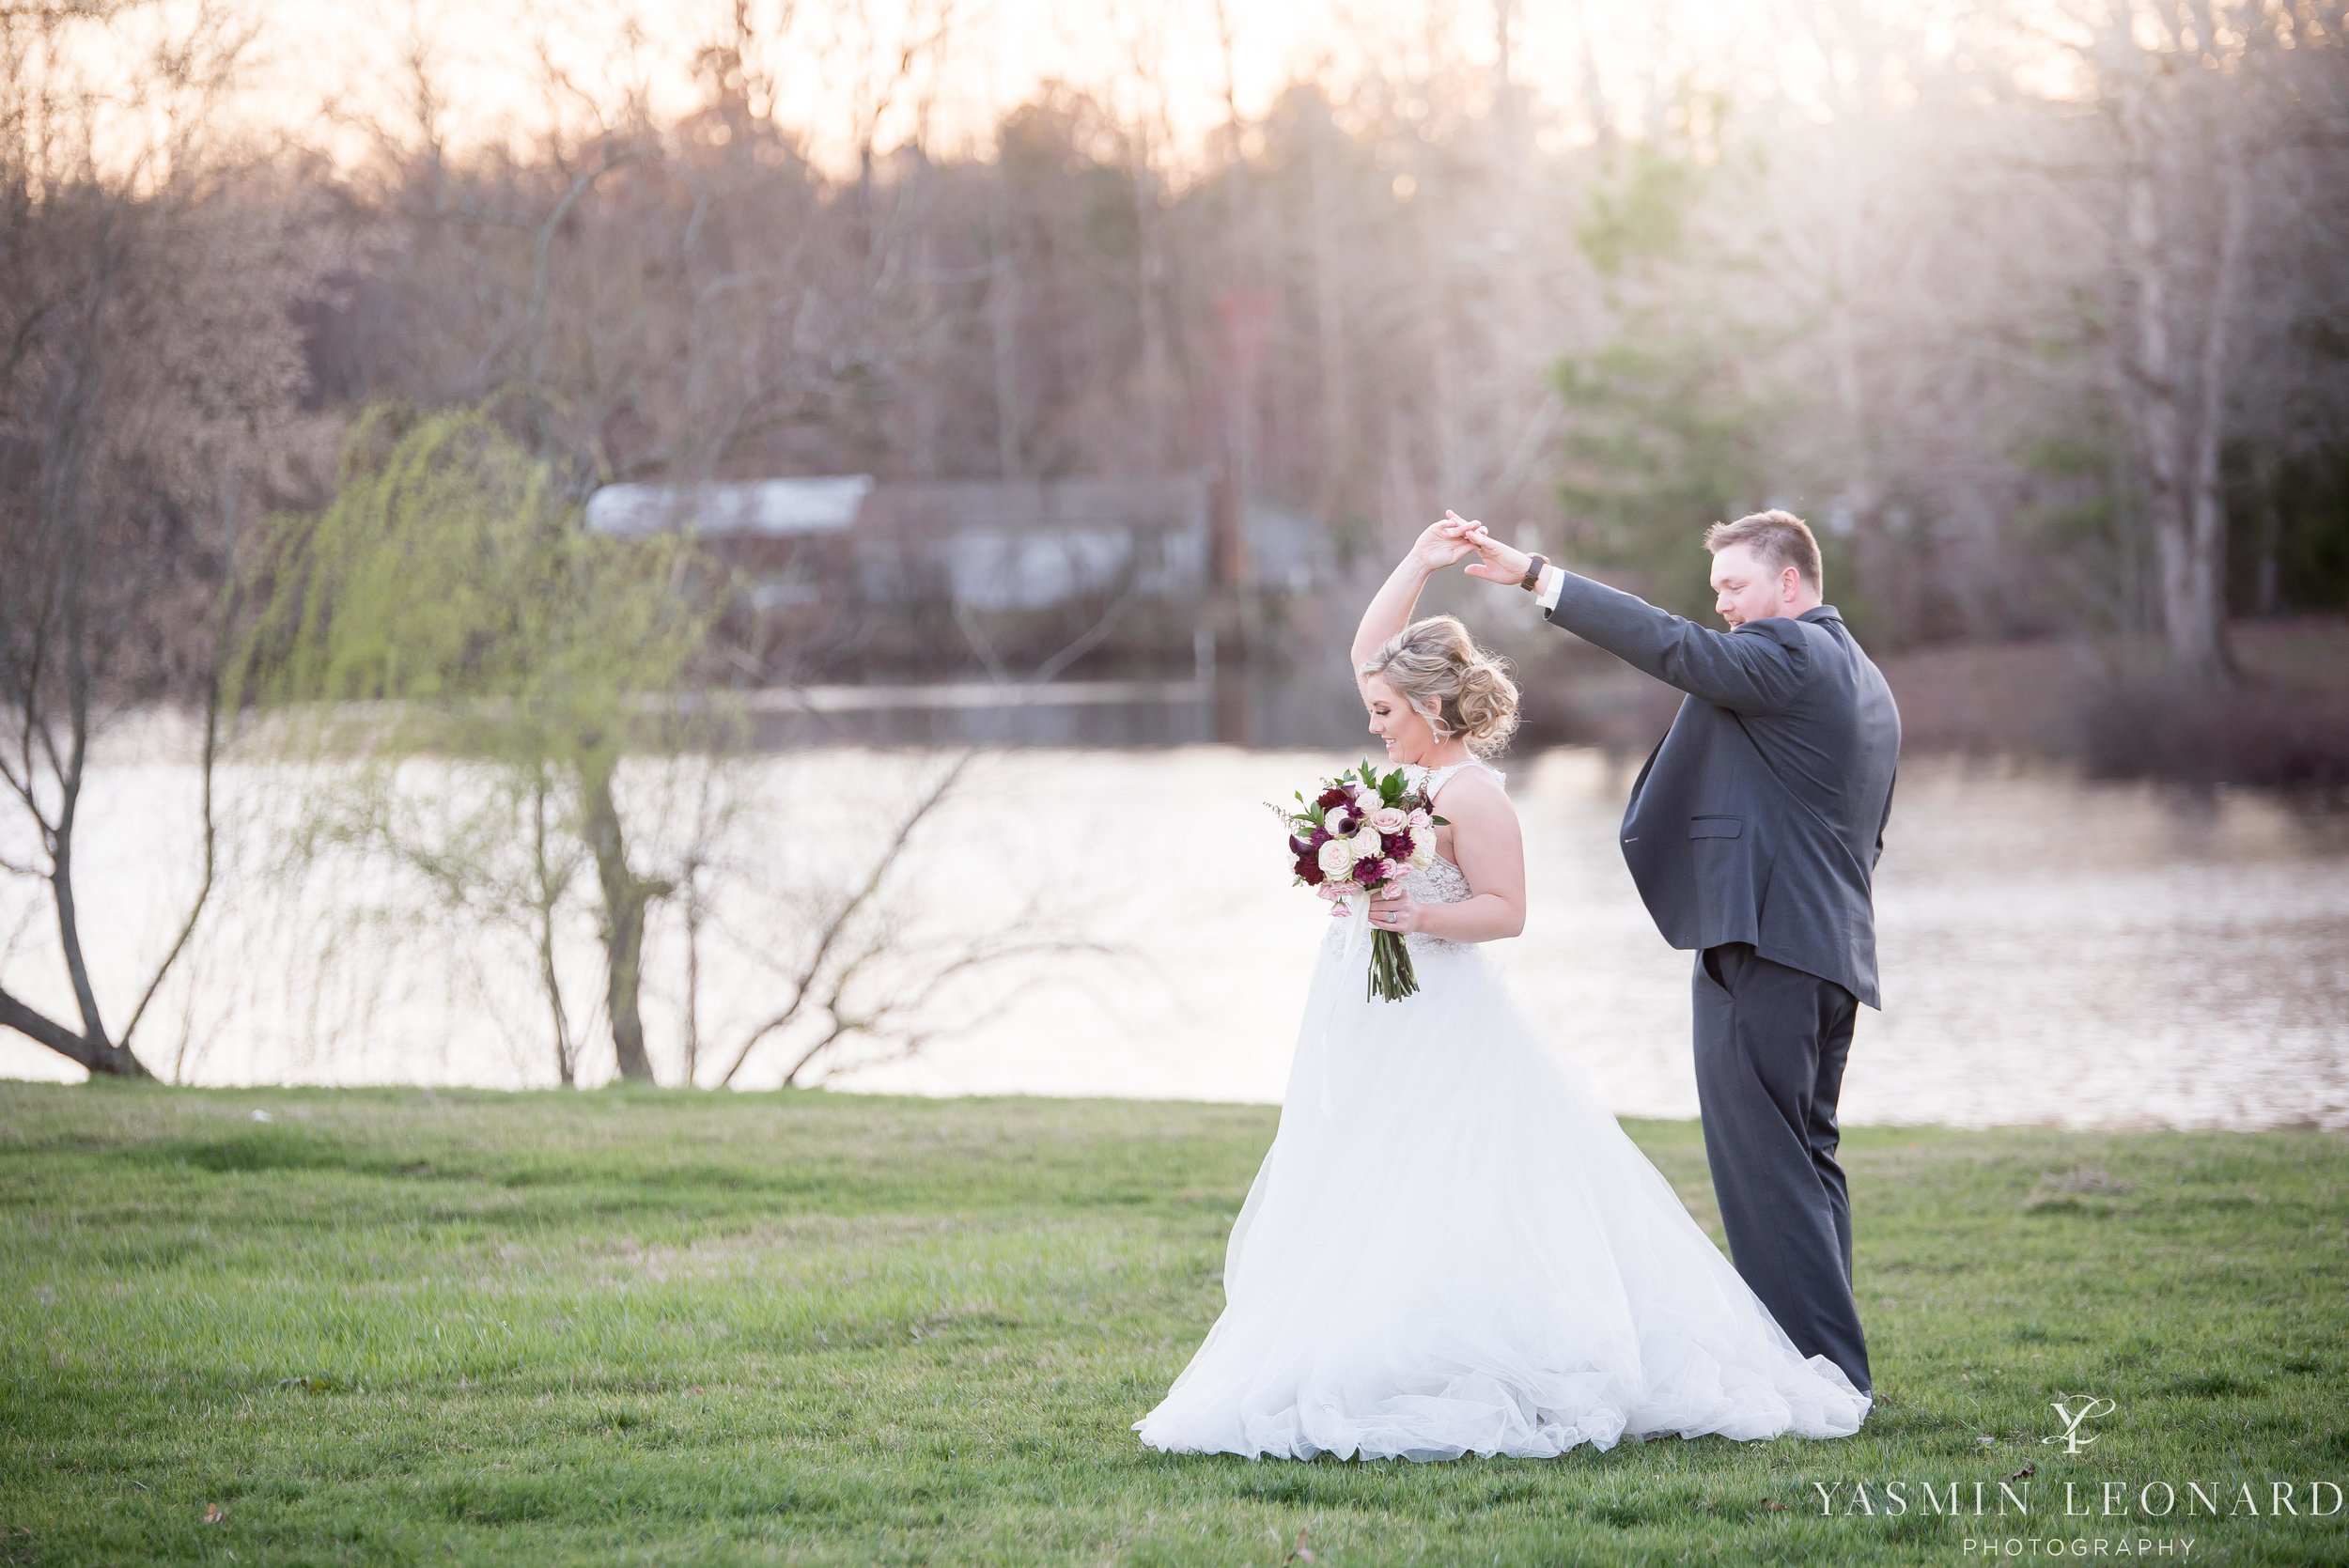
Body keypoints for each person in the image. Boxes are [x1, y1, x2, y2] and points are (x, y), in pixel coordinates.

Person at [1131, 517, 1872, 1463]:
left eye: (1388, 709)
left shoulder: (1470, 794)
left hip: (1445, 1003)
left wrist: (1412, 915)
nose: (1372, 718)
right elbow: (1370, 651)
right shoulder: (1397, 772)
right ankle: (1378, 1335)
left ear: (1429, 711)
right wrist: (1417, 562)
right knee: (1366, 1168)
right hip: (1362, 1002)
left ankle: (1539, 1349)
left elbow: (1506, 910)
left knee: (1454, 1169)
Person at [1440, 507, 1898, 1398]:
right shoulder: (1861, 673)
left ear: (1790, 585)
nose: (1721, 605)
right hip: (1828, 947)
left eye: (1734, 586)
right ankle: (1829, 1365)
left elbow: (1673, 647)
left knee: (1766, 1169)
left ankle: (1822, 1377)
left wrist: (1539, 577)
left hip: (1766, 944)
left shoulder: (1791, 654)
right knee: (1806, 1162)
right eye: (1717, 588)